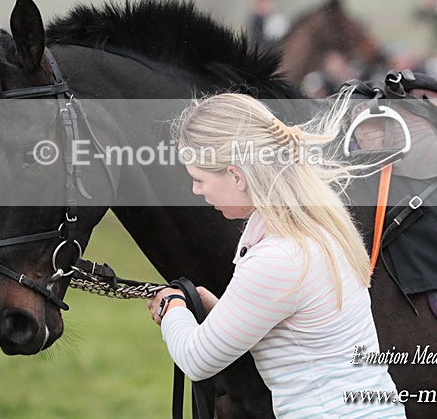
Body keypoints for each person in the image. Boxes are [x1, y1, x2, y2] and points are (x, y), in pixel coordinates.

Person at [147, 92, 405, 418]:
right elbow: (291, 326)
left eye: (199, 179)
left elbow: (197, 360)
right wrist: (220, 309)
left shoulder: (278, 257)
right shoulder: (314, 223)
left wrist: (172, 308)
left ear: (236, 175)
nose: (196, 190)